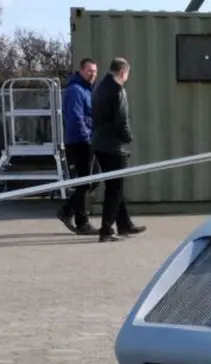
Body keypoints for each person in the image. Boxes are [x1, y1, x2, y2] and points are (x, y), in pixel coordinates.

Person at [91, 57, 145, 242]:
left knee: (115, 185)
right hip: (113, 145)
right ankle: (106, 229)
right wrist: (128, 137)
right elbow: (121, 120)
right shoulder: (117, 90)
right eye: (127, 74)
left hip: (99, 143)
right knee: (114, 188)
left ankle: (124, 224)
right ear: (123, 72)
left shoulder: (99, 88)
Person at [57, 58, 99, 235]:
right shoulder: (75, 91)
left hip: (88, 140)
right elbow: (76, 118)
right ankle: (82, 222)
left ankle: (67, 211)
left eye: (95, 71)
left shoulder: (87, 90)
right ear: (81, 71)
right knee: (84, 181)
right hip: (80, 142)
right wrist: (87, 138)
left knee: (94, 179)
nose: (92, 74)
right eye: (89, 71)